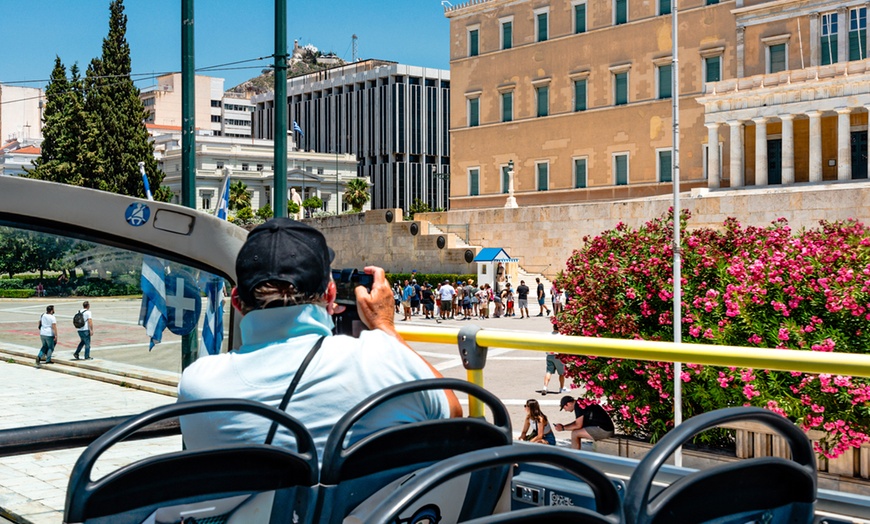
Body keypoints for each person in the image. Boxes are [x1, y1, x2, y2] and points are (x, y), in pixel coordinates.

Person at [177, 218, 462, 457]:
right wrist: (384, 326)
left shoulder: (197, 384)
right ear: (330, 293)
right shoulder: (381, 359)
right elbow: (452, 412)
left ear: (237, 302)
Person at [542, 330, 567, 395]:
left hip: (549, 355)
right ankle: (561, 388)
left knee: (549, 372)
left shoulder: (548, 334)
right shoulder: (562, 335)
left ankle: (545, 387)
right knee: (561, 373)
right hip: (558, 355)